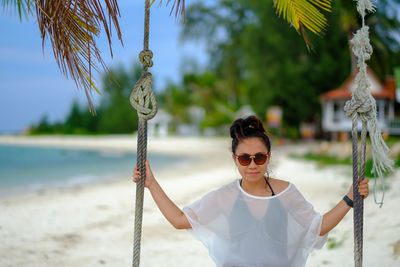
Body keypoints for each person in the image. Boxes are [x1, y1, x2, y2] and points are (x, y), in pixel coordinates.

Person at [132, 115, 369, 267]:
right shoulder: (225, 196)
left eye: (260, 157)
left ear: (269, 158)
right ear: (235, 159)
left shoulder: (286, 192)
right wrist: (151, 184)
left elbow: (318, 226)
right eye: (245, 158)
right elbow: (179, 220)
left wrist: (350, 197)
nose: (253, 165)